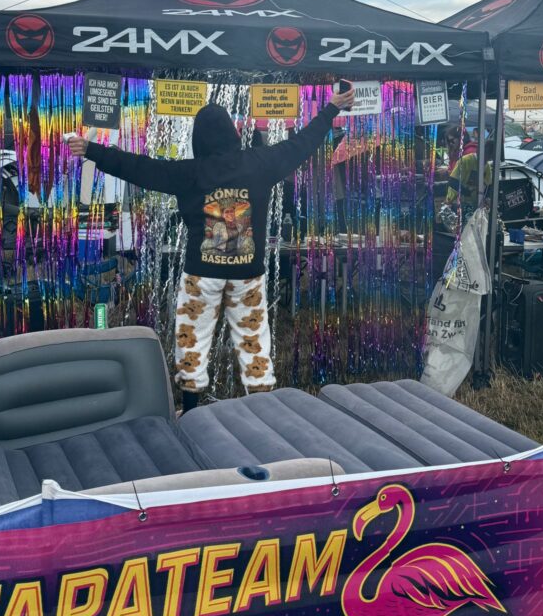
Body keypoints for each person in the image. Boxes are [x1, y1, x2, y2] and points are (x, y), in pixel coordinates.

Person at [68, 87, 355, 408]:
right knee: (253, 346)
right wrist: (331, 108)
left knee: (192, 344)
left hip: (201, 275)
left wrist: (92, 150)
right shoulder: (260, 163)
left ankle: (191, 410)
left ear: (199, 138)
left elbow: (139, 167)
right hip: (247, 275)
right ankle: (264, 410)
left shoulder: (189, 173)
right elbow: (302, 144)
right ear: (233, 134)